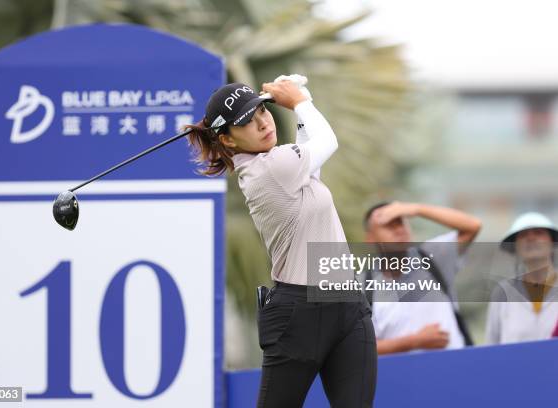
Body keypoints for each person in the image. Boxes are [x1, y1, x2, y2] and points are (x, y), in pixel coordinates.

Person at [186, 78, 376, 407]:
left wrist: (304, 100)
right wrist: (299, 101)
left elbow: (312, 159)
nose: (262, 122)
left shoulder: (285, 163)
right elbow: (326, 141)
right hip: (300, 313)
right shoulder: (267, 170)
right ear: (228, 140)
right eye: (246, 121)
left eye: (262, 110)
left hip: (348, 306)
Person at [363, 201, 481, 354]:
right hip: (402, 376)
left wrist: (416, 209)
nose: (399, 230)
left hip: (455, 370)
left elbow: (473, 226)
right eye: (389, 225)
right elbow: (359, 348)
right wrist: (415, 341)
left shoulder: (433, 258)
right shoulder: (364, 288)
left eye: (401, 222)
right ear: (370, 238)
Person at [486, 212, 558, 344]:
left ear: (552, 241)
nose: (531, 238)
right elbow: (492, 346)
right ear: (515, 246)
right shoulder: (502, 292)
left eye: (538, 232)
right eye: (523, 235)